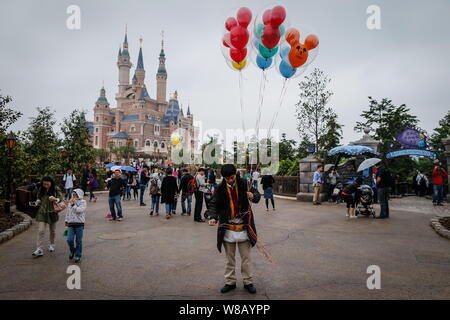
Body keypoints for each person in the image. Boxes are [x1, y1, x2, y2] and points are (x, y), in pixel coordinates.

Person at [207, 164, 261, 294]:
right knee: (229, 258)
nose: (230, 180)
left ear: (235, 174)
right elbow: (213, 204)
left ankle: (248, 281)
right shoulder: (220, 188)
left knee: (246, 258)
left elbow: (257, 194)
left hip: (244, 227)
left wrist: (253, 196)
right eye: (227, 179)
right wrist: (213, 216)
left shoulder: (244, 183)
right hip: (228, 228)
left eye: (231, 177)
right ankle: (230, 282)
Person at [31, 177, 63, 258]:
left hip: (52, 212)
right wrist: (37, 201)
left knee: (52, 231)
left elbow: (61, 198)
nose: (46, 186)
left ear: (51, 183)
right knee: (41, 230)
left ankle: (52, 244)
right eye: (44, 184)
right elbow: (38, 197)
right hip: (42, 212)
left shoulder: (56, 189)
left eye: (47, 184)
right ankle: (39, 249)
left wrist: (55, 199)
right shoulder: (41, 189)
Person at [65, 189, 86, 263]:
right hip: (70, 224)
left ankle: (78, 255)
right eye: (73, 195)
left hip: (79, 224)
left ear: (79, 195)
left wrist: (73, 204)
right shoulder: (70, 202)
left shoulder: (83, 202)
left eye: (75, 195)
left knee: (78, 241)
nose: (73, 196)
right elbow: (68, 212)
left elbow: (79, 211)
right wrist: (66, 221)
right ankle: (73, 250)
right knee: (69, 239)